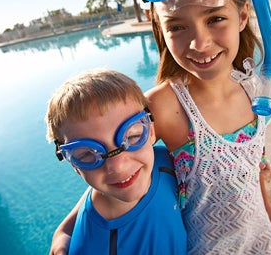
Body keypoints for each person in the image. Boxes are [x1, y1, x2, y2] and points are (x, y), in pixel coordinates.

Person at [50, 0, 271, 254]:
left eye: (215, 19)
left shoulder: (255, 87)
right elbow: (114, 160)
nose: (200, 43)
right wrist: (65, 231)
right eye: (178, 27)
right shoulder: (165, 105)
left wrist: (266, 205)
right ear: (162, 31)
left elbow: (253, 163)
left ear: (242, 16)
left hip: (259, 238)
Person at [45, 68, 187, 255]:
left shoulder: (164, 161)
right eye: (88, 154)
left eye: (134, 136)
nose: (118, 166)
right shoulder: (90, 248)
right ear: (74, 164)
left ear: (151, 130)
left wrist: (63, 230)